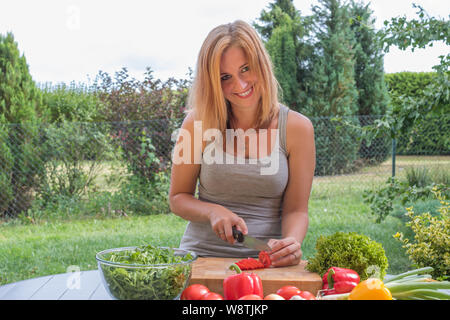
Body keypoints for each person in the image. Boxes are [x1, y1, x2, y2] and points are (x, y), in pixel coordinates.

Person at [169, 20, 315, 267]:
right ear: (212, 82)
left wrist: (290, 242)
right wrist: (213, 211)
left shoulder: (297, 128)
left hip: (268, 261)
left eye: (245, 69)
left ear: (262, 64)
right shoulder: (196, 124)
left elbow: (296, 210)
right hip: (201, 257)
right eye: (225, 77)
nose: (240, 85)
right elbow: (178, 197)